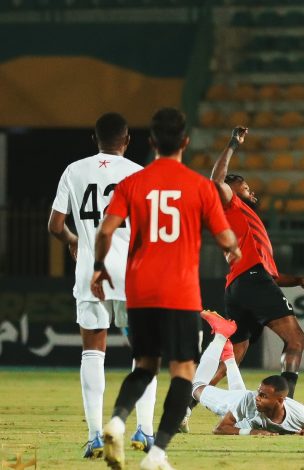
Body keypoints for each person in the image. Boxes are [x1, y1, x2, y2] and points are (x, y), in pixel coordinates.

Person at [90, 108, 240, 470]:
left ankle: (116, 422)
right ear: (185, 142)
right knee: (183, 373)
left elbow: (106, 231)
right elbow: (227, 239)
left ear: (152, 142)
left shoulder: (132, 183)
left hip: (140, 292)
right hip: (181, 293)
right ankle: (157, 454)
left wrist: (98, 268)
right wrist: (231, 248)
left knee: (143, 366)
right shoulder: (200, 187)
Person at [47, 112, 157, 458]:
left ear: (94, 140)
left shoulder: (74, 170)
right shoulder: (139, 173)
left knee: (93, 351)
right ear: (127, 141)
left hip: (89, 271)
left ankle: (95, 435)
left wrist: (72, 239)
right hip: (130, 273)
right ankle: (144, 431)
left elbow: (55, 225)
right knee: (143, 353)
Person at [204, 126, 304, 398]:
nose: (251, 191)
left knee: (236, 353)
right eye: (245, 186)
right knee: (296, 339)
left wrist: (297, 279)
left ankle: (189, 403)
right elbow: (215, 182)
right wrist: (232, 144)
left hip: (240, 285)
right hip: (251, 280)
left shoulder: (249, 226)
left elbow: (272, 277)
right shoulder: (230, 205)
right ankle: (284, 406)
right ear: (230, 189)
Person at [192, 311, 304, 436]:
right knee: (196, 386)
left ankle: (229, 356)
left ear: (279, 401)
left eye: (263, 396)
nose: (257, 397)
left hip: (241, 400)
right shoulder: (251, 400)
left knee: (242, 397)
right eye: (259, 393)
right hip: (231, 402)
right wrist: (252, 432)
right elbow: (219, 429)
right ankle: (220, 335)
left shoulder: (301, 413)